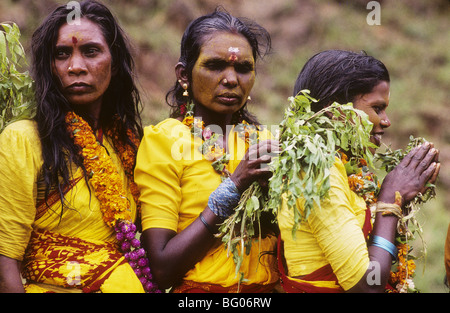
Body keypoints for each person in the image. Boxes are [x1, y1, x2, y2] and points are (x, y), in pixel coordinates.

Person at [0, 0, 153, 293]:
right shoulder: (23, 139)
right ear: (49, 66)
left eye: (91, 51)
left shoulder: (128, 145)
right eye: (62, 54)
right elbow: (4, 262)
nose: (76, 66)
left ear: (114, 60)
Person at [134, 8, 280, 292]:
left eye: (243, 68)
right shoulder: (164, 141)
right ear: (184, 75)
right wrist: (235, 186)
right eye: (214, 66)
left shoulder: (264, 142)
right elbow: (162, 268)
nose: (231, 79)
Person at [277, 50, 440, 292]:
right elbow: (367, 284)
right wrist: (390, 199)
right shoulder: (315, 172)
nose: (386, 121)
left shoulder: (345, 169)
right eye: (378, 108)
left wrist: (401, 197)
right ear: (335, 110)